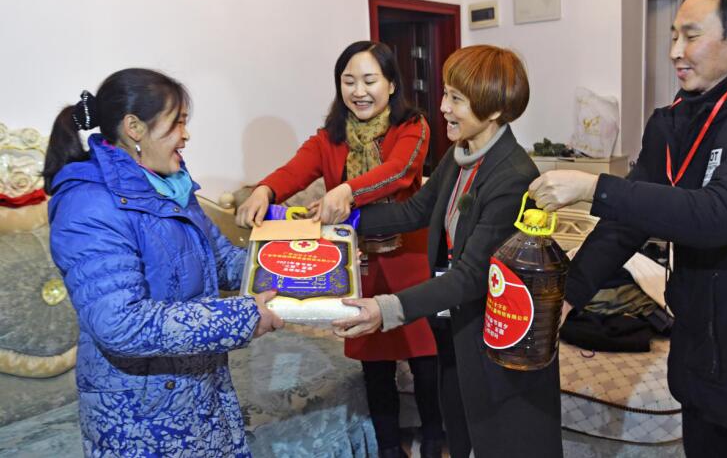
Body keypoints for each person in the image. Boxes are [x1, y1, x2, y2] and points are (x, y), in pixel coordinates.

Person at [529, 0, 727, 457]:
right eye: (673, 36)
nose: (676, 51)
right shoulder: (673, 120)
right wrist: (568, 296)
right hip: (697, 353)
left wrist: (594, 187)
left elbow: (718, 214)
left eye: (691, 36)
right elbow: (626, 224)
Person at [332, 45, 563, 458]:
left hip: (497, 342)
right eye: (445, 94)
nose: (442, 107)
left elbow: (471, 276)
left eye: (456, 98)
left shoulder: (512, 177)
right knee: (460, 434)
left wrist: (385, 309)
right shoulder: (462, 156)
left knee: (503, 442)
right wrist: (340, 222)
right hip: (458, 329)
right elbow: (415, 211)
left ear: (494, 109)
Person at [43, 68, 283, 458]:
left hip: (201, 388)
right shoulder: (88, 204)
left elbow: (221, 261)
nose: (186, 136)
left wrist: (308, 269)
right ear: (134, 128)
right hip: (141, 415)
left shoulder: (169, 186)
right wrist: (241, 317)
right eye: (176, 124)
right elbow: (120, 322)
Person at [235, 41, 443, 458]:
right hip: (357, 265)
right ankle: (389, 448)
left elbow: (400, 172)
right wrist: (264, 190)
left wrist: (347, 190)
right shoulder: (329, 138)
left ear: (391, 84)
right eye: (349, 81)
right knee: (375, 364)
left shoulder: (412, 126)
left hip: (408, 260)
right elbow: (294, 170)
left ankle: (436, 441)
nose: (358, 91)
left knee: (425, 359)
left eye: (369, 80)